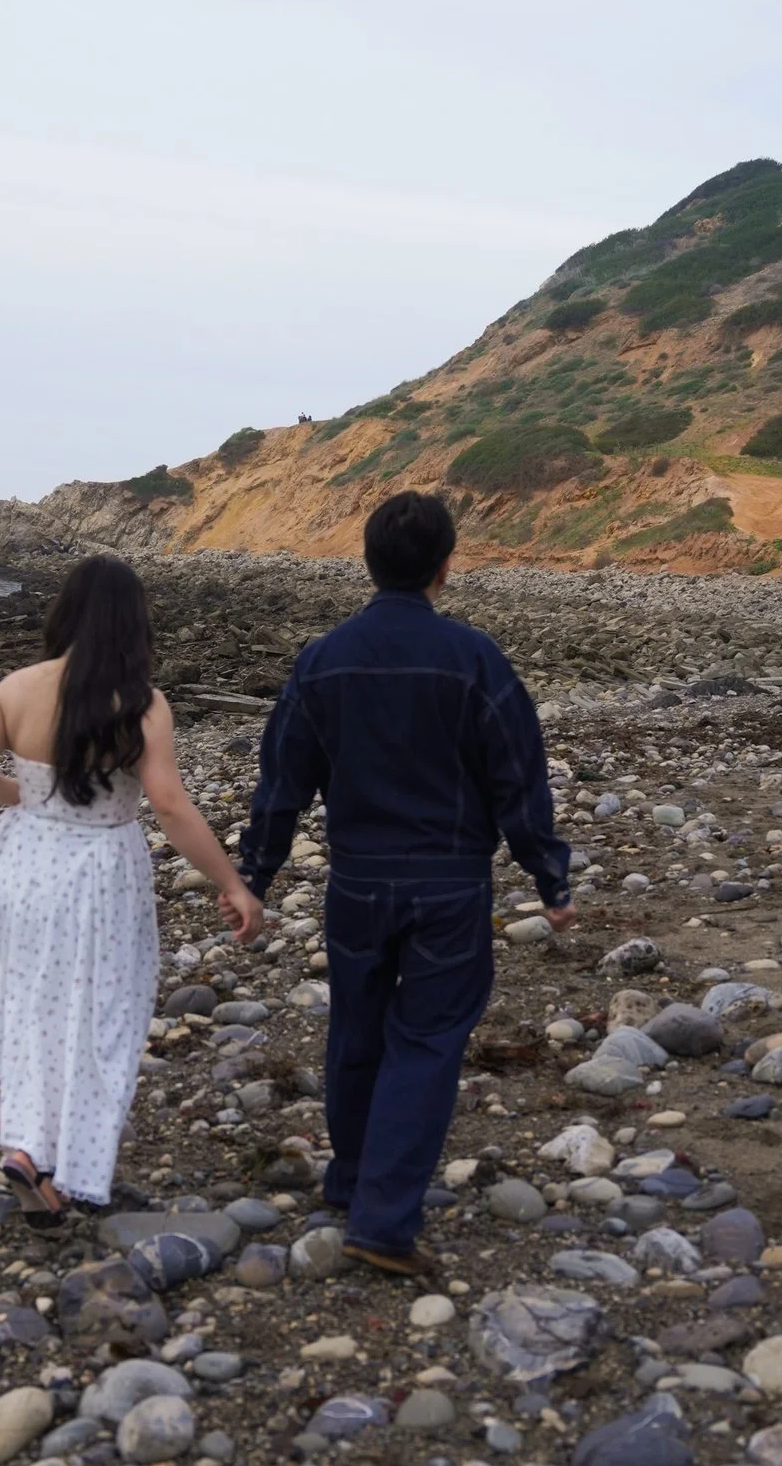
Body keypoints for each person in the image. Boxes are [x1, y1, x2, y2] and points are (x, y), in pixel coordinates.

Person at [239, 491, 572, 1275]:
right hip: (448, 882)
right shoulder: (474, 658)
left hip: (357, 882)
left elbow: (283, 779)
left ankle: (354, 1179)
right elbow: (516, 774)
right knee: (425, 1040)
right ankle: (383, 1221)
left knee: (358, 1026)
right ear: (445, 566)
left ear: (369, 561)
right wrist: (549, 874)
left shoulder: (325, 659)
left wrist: (255, 871)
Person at [0, 556, 264, 1228]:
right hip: (100, 875)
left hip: (28, 867)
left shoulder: (16, 687)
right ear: (132, 622)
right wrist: (232, 882)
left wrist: (28, 794)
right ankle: (64, 1160)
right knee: (102, 1015)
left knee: (33, 1007)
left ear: (65, 611)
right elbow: (170, 806)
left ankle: (28, 1149)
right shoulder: (141, 702)